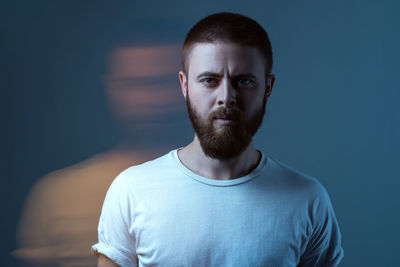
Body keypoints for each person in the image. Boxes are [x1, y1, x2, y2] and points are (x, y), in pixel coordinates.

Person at [92, 12, 344, 267]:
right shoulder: (131, 191)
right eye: (209, 80)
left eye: (244, 81)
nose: (226, 97)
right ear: (184, 85)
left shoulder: (308, 199)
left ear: (268, 87)